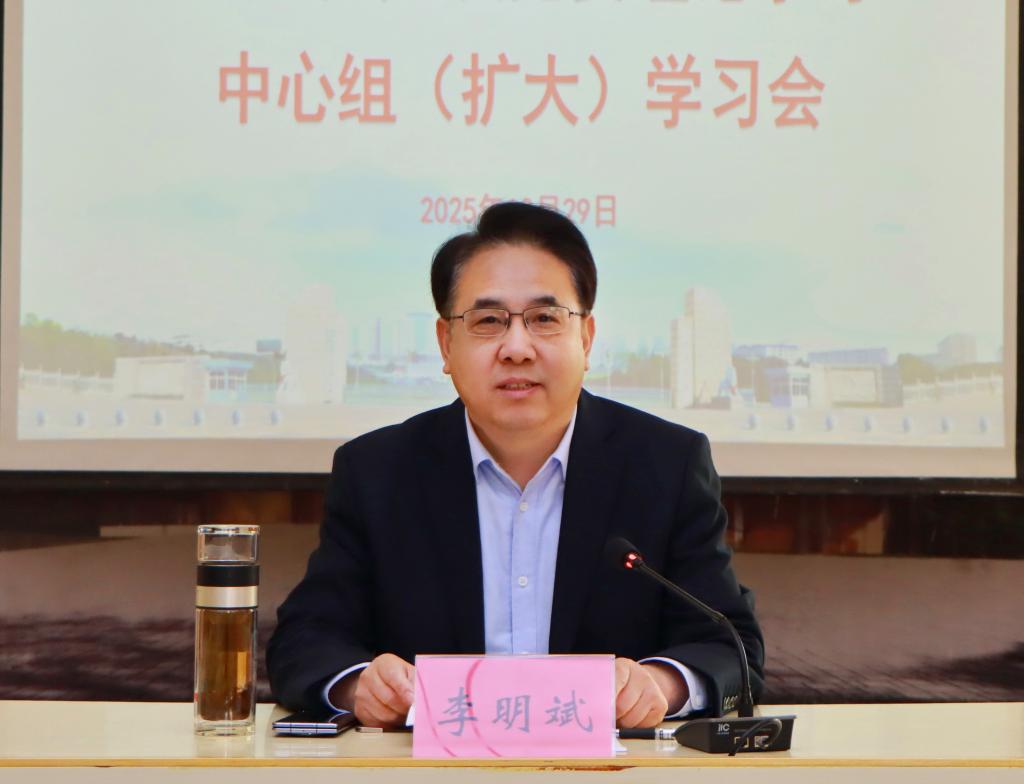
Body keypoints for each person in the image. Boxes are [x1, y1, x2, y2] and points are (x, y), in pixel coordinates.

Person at [267, 202, 764, 729]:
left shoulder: (665, 465)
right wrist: (358, 684)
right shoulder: (378, 472)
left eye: (545, 319)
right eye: (488, 321)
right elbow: (305, 639)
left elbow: (730, 646)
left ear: (586, 339)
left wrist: (661, 685)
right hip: (433, 767)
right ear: (445, 344)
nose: (517, 348)